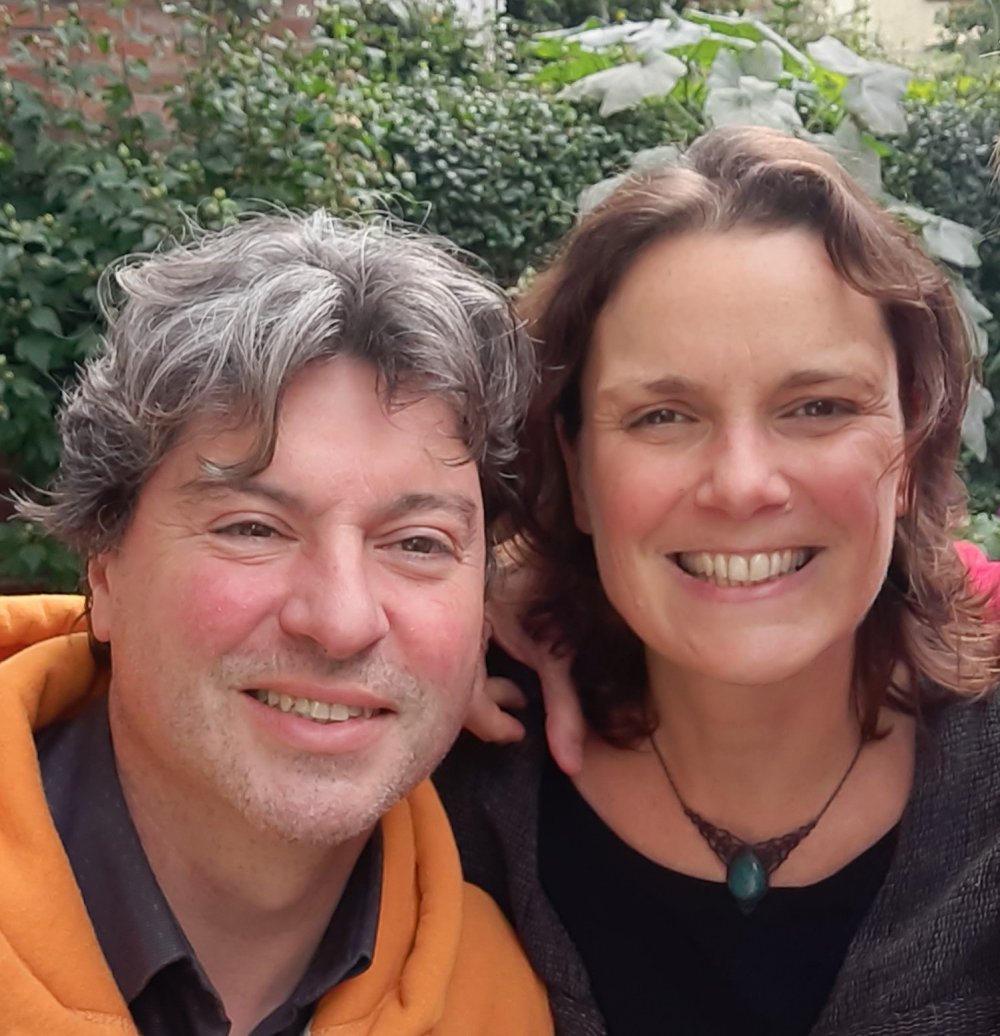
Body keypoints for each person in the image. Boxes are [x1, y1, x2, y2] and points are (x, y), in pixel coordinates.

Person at [437, 126, 1000, 1036]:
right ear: (576, 472)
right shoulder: (445, 790)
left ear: (911, 446)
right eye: (663, 416)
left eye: (817, 407)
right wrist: (428, 622)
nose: (742, 485)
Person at [1, 213, 554, 1036]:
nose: (341, 620)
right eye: (253, 528)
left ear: (481, 618)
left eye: (417, 543)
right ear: (103, 569)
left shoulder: (496, 1005)